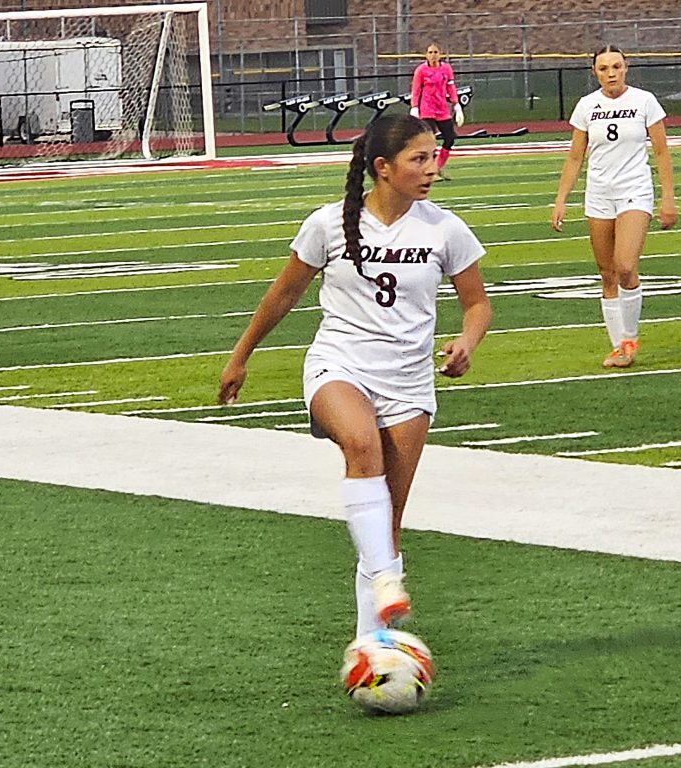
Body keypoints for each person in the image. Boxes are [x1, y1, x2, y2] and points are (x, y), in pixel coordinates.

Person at [218, 115, 491, 637]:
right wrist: (241, 354)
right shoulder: (327, 224)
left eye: (434, 157)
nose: (433, 168)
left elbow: (477, 304)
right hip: (338, 366)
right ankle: (389, 579)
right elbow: (285, 293)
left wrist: (466, 343)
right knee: (360, 444)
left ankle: (373, 648)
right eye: (420, 158)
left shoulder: (445, 228)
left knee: (385, 527)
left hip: (409, 383)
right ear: (383, 168)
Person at [551, 45, 676, 369]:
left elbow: (662, 152)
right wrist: (561, 200)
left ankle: (630, 338)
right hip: (599, 195)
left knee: (625, 266)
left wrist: (668, 198)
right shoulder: (586, 106)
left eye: (616, 67)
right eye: (604, 68)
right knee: (606, 274)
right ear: (595, 71)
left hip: (634, 191)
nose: (611, 74)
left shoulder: (644, 101)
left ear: (626, 68)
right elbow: (575, 156)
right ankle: (618, 346)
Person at [410, 42, 464, 181]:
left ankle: (438, 167)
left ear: (440, 54)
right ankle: (429, 170)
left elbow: (451, 87)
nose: (433, 55)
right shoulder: (421, 70)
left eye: (435, 52)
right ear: (426, 55)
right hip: (427, 108)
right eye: (430, 52)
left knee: (450, 137)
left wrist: (456, 104)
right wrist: (415, 107)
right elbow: (416, 90)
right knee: (429, 140)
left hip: (442, 108)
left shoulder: (446, 69)